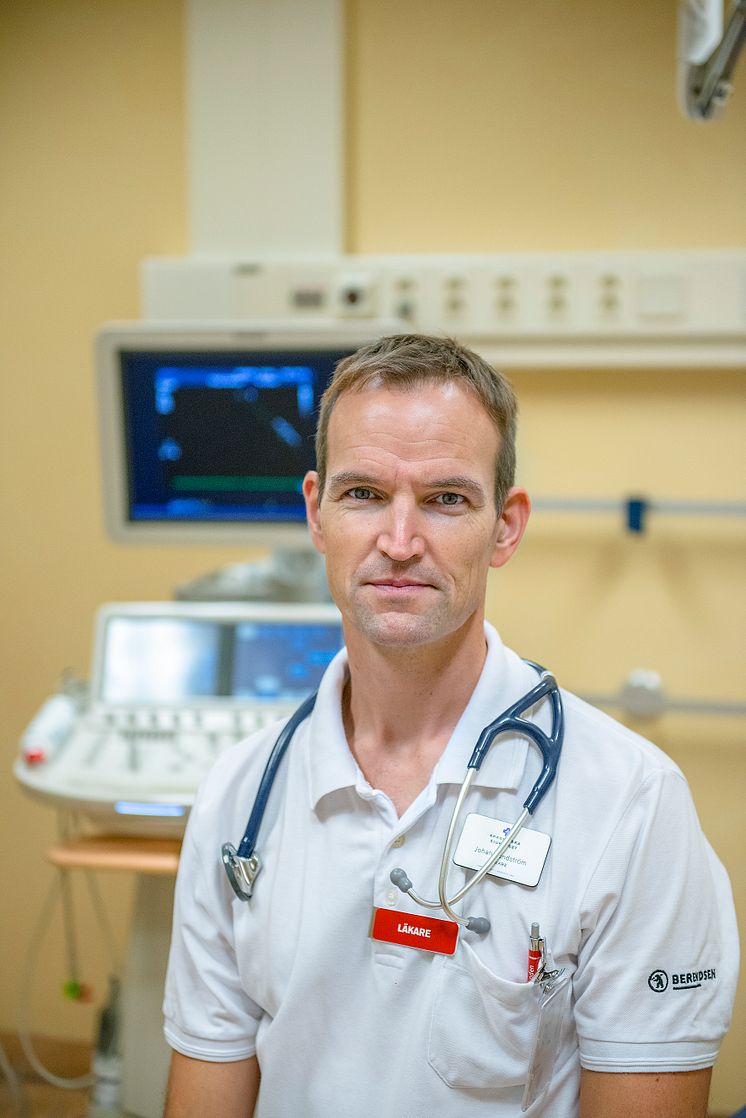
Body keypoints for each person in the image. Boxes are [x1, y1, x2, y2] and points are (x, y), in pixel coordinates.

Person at [162, 333, 738, 1117]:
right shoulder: (240, 797)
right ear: (316, 511)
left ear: (505, 527)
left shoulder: (631, 805)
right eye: (363, 493)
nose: (400, 543)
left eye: (445, 499)